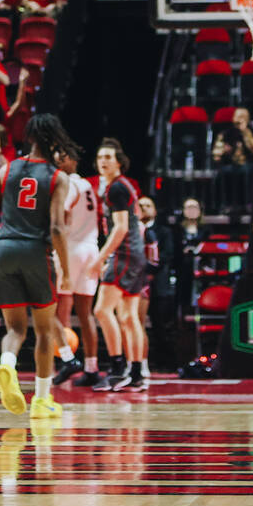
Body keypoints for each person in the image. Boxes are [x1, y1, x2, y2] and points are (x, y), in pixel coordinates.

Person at [0, 113, 74, 418]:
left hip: (4, 247)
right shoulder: (57, 176)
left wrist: (1, 245)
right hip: (36, 251)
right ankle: (42, 400)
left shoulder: (6, 169)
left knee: (15, 328)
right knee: (45, 331)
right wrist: (66, 270)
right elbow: (58, 229)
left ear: (31, 138)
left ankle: (6, 363)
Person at [88, 138, 150, 392]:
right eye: (100, 157)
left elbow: (122, 227)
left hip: (125, 254)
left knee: (102, 311)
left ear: (119, 162)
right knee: (127, 316)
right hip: (135, 253)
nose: (103, 162)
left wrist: (101, 257)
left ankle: (116, 370)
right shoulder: (121, 186)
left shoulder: (117, 188)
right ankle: (136, 373)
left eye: (108, 158)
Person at [51, 149, 102, 387]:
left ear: (74, 160)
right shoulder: (87, 185)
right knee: (85, 312)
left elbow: (60, 215)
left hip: (72, 248)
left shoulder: (68, 183)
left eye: (62, 157)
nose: (58, 161)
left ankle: (66, 360)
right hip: (91, 247)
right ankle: (92, 367)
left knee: (61, 310)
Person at [137, 195, 174, 374]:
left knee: (160, 326)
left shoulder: (163, 231)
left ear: (155, 210)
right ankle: (137, 363)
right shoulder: (131, 229)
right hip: (137, 283)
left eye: (147, 205)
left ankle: (163, 363)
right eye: (140, 205)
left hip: (156, 284)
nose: (143, 208)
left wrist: (149, 274)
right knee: (137, 324)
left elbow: (164, 257)